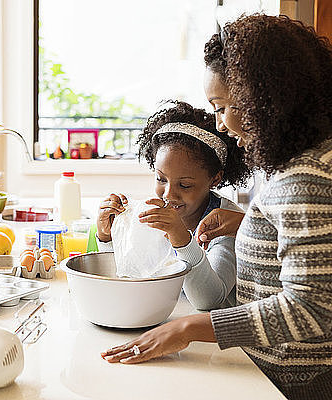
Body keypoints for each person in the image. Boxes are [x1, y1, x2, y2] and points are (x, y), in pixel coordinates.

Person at [101, 15, 332, 400]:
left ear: (266, 100)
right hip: (270, 369)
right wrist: (249, 226)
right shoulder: (297, 162)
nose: (221, 124)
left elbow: (313, 308)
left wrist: (192, 327)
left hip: (297, 381)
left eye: (222, 106)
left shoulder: (305, 176)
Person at [96, 100, 249, 310]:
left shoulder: (228, 223)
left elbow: (209, 300)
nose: (169, 194)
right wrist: (108, 237)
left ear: (215, 179)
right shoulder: (156, 213)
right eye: (161, 179)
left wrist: (181, 240)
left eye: (185, 185)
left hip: (215, 334)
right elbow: (132, 274)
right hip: (169, 318)